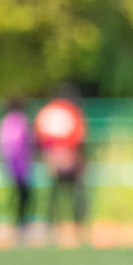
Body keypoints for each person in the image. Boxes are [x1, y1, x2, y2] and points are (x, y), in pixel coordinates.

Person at [35, 91, 88, 240]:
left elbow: (39, 136)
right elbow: (79, 136)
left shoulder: (47, 110)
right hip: (69, 156)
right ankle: (78, 226)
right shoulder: (71, 110)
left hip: (52, 156)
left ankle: (50, 226)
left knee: (53, 194)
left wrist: (49, 155)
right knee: (76, 193)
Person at [0, 99, 35, 239]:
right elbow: (18, 145)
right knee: (21, 196)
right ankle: (18, 223)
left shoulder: (7, 122)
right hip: (19, 166)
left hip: (14, 165)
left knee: (20, 196)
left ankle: (18, 222)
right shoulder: (19, 121)